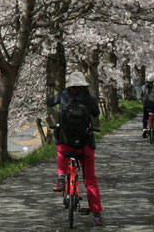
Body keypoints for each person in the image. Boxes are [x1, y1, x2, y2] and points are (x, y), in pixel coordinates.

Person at [46, 71, 104, 227]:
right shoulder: (89, 98)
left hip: (66, 142)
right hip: (85, 144)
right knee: (90, 180)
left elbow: (49, 102)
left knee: (61, 151)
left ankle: (61, 178)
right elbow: (96, 113)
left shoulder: (64, 95)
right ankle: (96, 215)